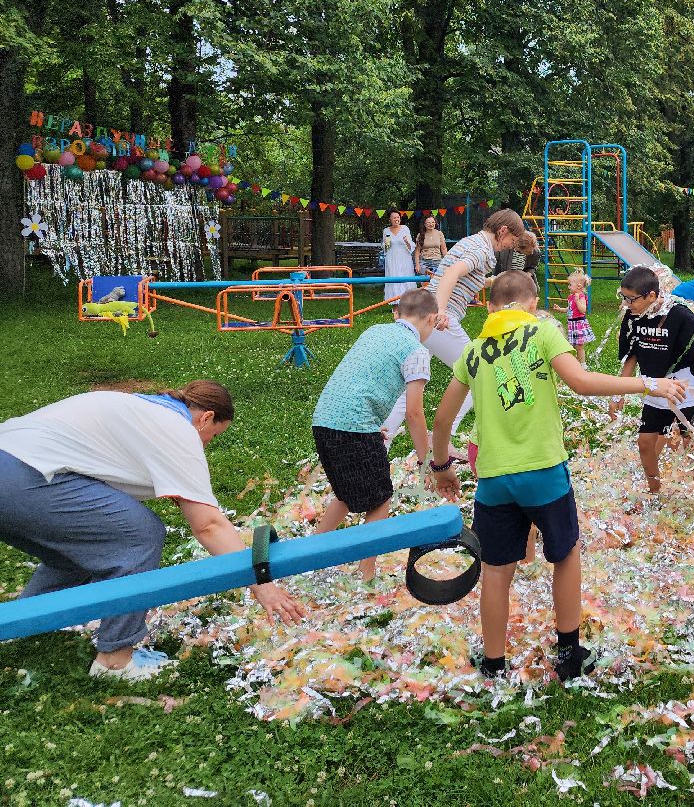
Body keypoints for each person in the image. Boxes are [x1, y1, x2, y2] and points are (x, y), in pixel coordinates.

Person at [428, 271, 686, 681]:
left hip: (493, 479)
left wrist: (441, 467)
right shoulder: (544, 333)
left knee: (496, 570)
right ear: (532, 304)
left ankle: (494, 663)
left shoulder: (473, 352)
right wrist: (648, 384)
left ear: (490, 307)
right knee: (564, 556)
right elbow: (581, 382)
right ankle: (568, 654)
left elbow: (442, 421)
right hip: (544, 472)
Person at [0, 382, 305, 680]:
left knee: (82, 544)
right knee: (139, 535)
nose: (207, 444)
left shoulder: (145, 408)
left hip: (11, 463)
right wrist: (262, 583)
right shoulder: (179, 430)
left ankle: (27, 621)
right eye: (213, 436)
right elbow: (209, 525)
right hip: (24, 479)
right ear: (206, 418)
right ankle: (114, 660)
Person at [312, 289, 439, 580]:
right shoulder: (417, 352)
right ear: (431, 319)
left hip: (325, 419)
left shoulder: (374, 330)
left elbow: (361, 378)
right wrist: (425, 460)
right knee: (380, 499)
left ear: (398, 313)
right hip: (354, 426)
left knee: (346, 493)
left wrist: (370, 426)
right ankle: (366, 574)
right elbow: (414, 413)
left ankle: (310, 556)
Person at [381, 208, 526, 442]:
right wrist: (439, 311)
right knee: (475, 369)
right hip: (437, 317)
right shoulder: (481, 249)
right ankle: (442, 439)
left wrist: (491, 281)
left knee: (409, 385)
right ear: (502, 231)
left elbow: (464, 276)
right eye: (511, 240)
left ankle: (380, 442)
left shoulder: (473, 242)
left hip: (423, 316)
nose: (510, 245)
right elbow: (452, 273)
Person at [608, 266, 694, 524]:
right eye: (623, 297)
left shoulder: (679, 315)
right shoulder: (633, 317)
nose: (626, 304)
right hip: (654, 387)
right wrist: (618, 394)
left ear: (651, 295)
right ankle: (655, 493)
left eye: (631, 299)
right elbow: (631, 356)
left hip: (685, 388)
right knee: (645, 443)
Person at [381, 211, 417, 302]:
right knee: (393, 277)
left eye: (398, 217)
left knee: (406, 277)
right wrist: (386, 243)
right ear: (390, 219)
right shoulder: (386, 231)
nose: (396, 219)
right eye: (394, 218)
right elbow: (386, 248)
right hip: (392, 257)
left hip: (404, 257)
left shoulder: (405, 228)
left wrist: (407, 241)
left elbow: (411, 247)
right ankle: (395, 301)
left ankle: (409, 301)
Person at [566, 270, 596, 365]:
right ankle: (575, 363)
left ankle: (583, 365)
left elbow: (583, 310)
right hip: (572, 323)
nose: (568, 287)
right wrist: (560, 309)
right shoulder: (571, 297)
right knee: (573, 345)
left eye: (570, 285)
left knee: (579, 346)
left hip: (579, 324)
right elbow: (570, 308)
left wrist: (578, 301)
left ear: (578, 286)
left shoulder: (581, 296)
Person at [415, 214, 448, 279]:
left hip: (437, 260)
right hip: (424, 261)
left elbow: (444, 249)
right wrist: (417, 265)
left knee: (437, 282)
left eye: (433, 222)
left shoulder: (439, 233)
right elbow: (417, 251)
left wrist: (447, 261)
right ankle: (426, 272)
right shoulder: (420, 235)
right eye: (429, 222)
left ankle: (431, 273)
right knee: (425, 280)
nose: (431, 224)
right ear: (424, 224)